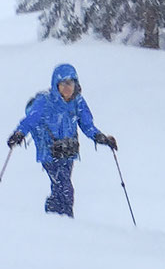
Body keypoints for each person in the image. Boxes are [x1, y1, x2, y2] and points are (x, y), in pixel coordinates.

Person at [8, 62, 115, 217]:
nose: (67, 87)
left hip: (68, 151)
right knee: (64, 186)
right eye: (63, 83)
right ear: (56, 84)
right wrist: (19, 134)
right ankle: (65, 220)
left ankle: (54, 216)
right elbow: (30, 120)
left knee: (61, 185)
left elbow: (87, 125)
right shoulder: (45, 101)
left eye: (70, 83)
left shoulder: (78, 102)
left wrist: (100, 138)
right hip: (48, 151)